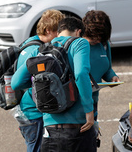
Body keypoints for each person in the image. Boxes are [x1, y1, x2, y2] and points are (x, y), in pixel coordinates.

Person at [12, 17, 96, 152]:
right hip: (78, 127)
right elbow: (81, 74)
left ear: (58, 32)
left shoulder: (40, 50)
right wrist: (89, 110)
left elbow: (15, 83)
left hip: (50, 130)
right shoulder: (79, 43)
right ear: (78, 32)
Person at [14, 9, 65, 152]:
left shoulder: (30, 42)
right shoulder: (36, 52)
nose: (60, 36)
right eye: (58, 32)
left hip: (26, 110)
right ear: (49, 30)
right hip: (33, 112)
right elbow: (18, 83)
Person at [81, 10, 120, 145]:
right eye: (94, 37)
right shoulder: (77, 44)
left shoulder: (104, 44)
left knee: (91, 139)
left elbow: (107, 68)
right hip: (76, 102)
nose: (97, 40)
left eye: (100, 37)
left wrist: (112, 77)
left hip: (93, 99)